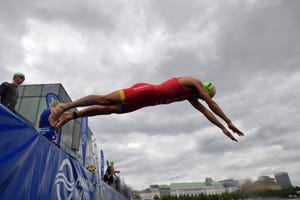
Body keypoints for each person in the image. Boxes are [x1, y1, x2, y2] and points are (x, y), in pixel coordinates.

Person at [49, 76, 244, 142]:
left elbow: (206, 112)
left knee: (108, 110)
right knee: (105, 99)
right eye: (204, 96)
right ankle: (65, 106)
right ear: (205, 90)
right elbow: (212, 105)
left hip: (142, 103)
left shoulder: (190, 97)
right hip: (144, 91)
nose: (201, 99)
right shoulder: (193, 83)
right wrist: (229, 121)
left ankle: (71, 115)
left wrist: (222, 129)